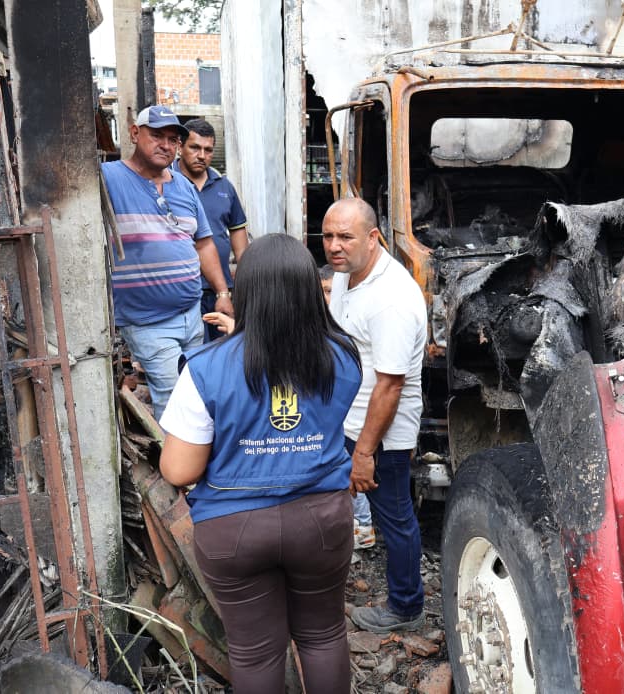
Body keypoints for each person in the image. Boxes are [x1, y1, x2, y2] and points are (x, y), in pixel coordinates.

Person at [158, 233, 361, 692]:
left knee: (256, 652)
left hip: (234, 529)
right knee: (324, 635)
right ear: (311, 289)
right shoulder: (343, 356)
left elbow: (178, 471)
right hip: (322, 521)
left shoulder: (206, 368)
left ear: (245, 292)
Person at [322, 198, 427, 633]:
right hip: (347, 420)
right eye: (327, 236)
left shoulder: (392, 300)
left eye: (344, 236)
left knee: (395, 517)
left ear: (373, 237)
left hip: (379, 432)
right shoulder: (350, 273)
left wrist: (364, 452)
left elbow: (390, 385)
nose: (333, 246)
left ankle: (406, 607)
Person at [103, 105, 232, 421]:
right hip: (148, 320)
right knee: (174, 399)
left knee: (194, 389)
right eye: (157, 135)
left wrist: (223, 292)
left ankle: (188, 461)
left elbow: (203, 243)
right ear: (135, 133)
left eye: (173, 139)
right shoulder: (108, 179)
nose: (166, 145)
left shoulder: (183, 186)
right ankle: (175, 469)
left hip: (191, 314)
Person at [174, 118, 249, 342]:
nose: (201, 155)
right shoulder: (167, 183)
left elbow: (238, 235)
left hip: (221, 291)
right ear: (180, 147)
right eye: (195, 148)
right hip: (183, 289)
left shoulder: (224, 187)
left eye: (208, 150)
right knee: (192, 354)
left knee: (223, 351)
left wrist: (243, 285)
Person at [320, 263, 376, 551]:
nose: (326, 299)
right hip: (339, 410)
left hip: (355, 409)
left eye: (330, 291)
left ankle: (363, 525)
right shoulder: (326, 325)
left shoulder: (348, 323)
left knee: (348, 465)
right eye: (322, 293)